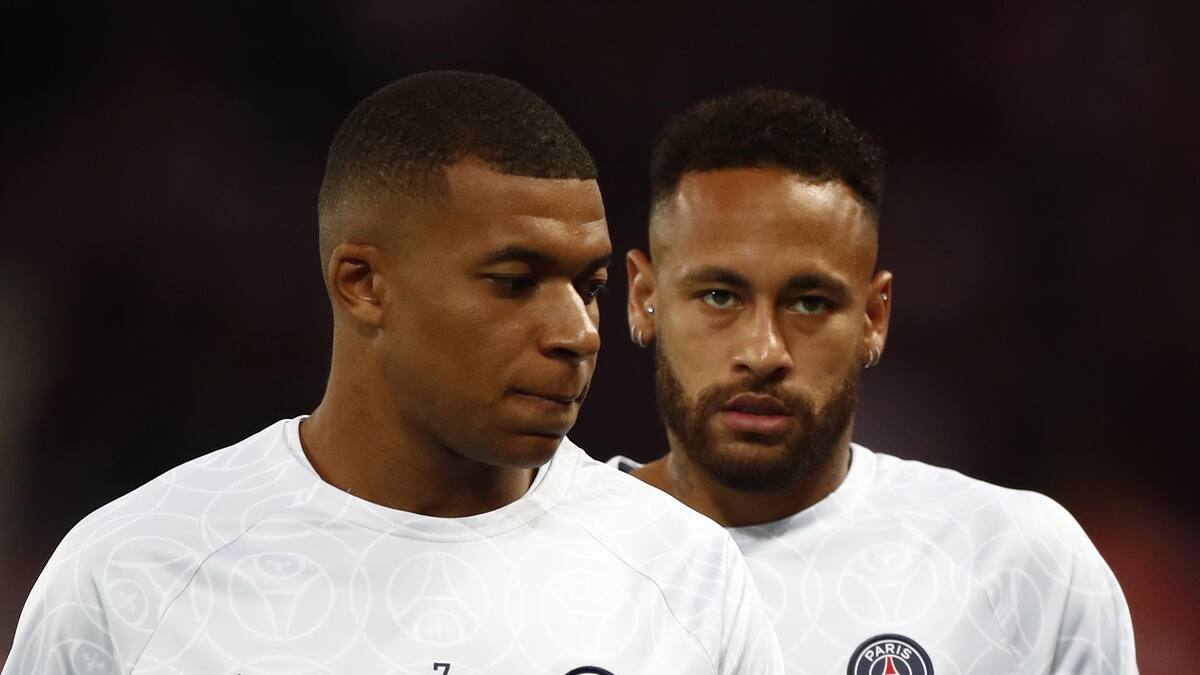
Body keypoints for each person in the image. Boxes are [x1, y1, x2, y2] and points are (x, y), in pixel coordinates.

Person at [4, 72, 783, 675]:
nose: (577, 332)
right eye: (514, 281)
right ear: (363, 284)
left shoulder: (683, 575)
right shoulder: (136, 572)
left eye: (590, 286)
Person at [612, 89, 1137, 674]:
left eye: (810, 302)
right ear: (642, 298)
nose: (763, 352)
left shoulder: (1019, 565)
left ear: (874, 318)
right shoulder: (542, 553)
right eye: (719, 296)